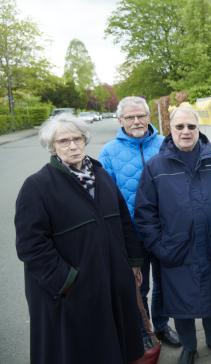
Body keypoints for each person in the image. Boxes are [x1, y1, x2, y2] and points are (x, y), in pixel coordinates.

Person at [14, 114, 144, 364]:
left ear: (85, 141)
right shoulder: (37, 186)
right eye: (64, 141)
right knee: (79, 351)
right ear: (52, 146)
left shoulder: (101, 177)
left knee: (113, 344)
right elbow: (31, 246)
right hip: (72, 291)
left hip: (110, 281)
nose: (72, 146)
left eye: (77, 139)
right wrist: (67, 281)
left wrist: (134, 260)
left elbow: (124, 221)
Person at [135, 105, 211, 364]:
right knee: (181, 304)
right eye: (180, 126)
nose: (186, 131)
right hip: (176, 249)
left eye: (191, 126)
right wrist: (160, 246)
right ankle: (189, 346)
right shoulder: (156, 167)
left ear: (198, 128)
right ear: (171, 129)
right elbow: (145, 212)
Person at [98, 96, 181, 347]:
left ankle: (162, 325)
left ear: (149, 117)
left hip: (165, 230)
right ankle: (144, 331)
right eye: (130, 117)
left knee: (165, 284)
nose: (136, 121)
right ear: (120, 120)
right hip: (132, 234)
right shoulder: (109, 152)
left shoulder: (165, 144)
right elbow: (106, 197)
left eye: (141, 116)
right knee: (137, 286)